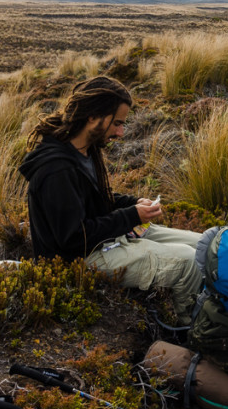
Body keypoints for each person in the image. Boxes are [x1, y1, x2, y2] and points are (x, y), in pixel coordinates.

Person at [18, 75, 201, 324]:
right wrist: (131, 216)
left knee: (203, 247)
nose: (121, 132)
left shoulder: (84, 150)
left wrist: (133, 203)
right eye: (116, 123)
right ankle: (190, 328)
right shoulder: (57, 169)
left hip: (103, 240)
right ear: (93, 116)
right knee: (187, 262)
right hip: (79, 259)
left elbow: (93, 200)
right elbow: (73, 238)